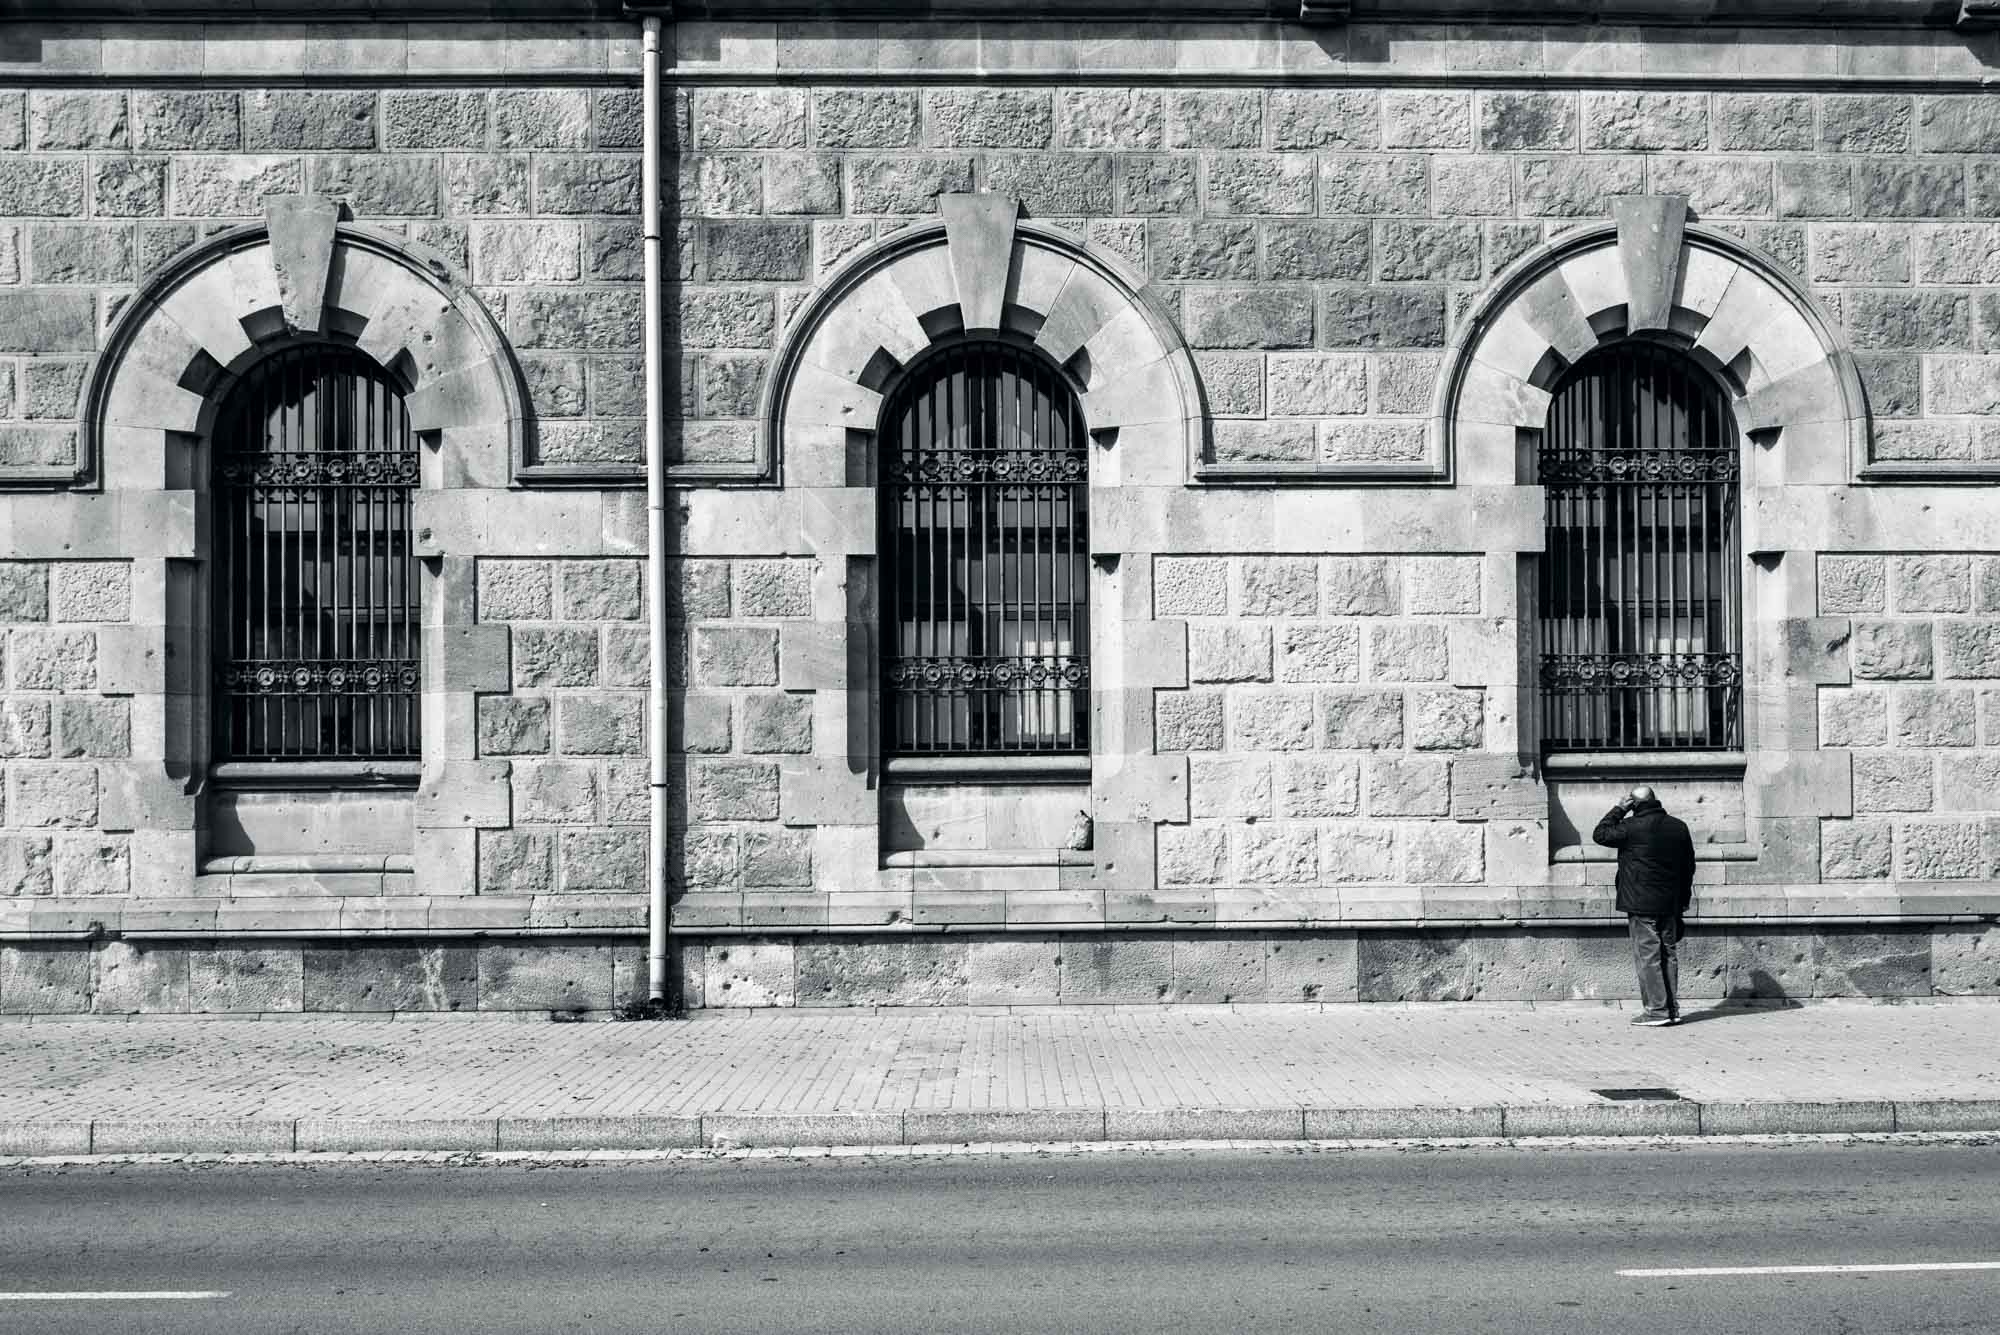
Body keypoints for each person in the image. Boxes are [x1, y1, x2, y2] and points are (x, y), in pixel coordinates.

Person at [1592, 785, 1696, 1027]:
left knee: (1648, 957)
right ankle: (1671, 1009)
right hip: (1670, 903)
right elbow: (1688, 866)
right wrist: (1682, 902)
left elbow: (1600, 834)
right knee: (1668, 954)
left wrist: (1618, 808)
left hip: (1641, 904)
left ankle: (1657, 1012)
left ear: (1635, 805)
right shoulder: (1678, 827)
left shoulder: (1629, 827)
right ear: (1656, 801)